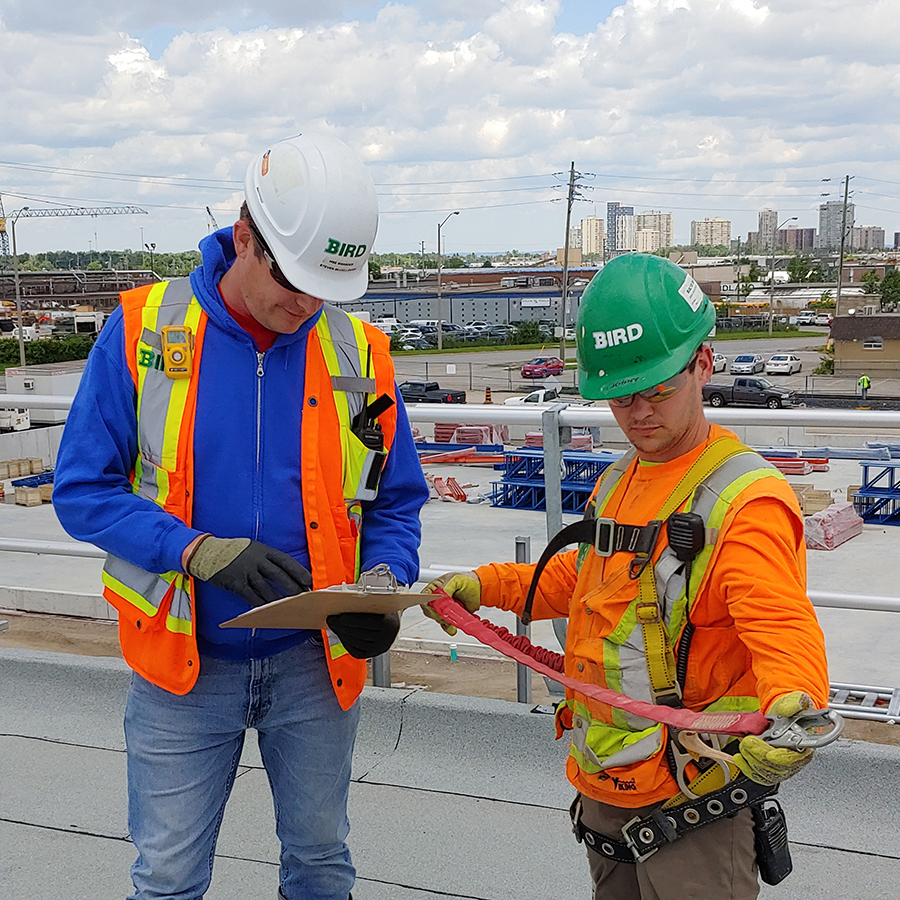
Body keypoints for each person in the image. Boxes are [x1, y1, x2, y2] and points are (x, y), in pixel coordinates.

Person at [53, 133, 429, 900]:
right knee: (166, 877)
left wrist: (385, 582)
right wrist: (194, 552)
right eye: (294, 283)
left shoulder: (359, 352)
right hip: (183, 670)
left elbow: (393, 499)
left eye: (327, 289)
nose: (307, 306)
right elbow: (82, 490)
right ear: (246, 238)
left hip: (315, 668)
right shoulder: (143, 332)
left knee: (322, 864)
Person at [426, 254, 829, 900]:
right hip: (609, 783)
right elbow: (580, 582)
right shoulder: (620, 481)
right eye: (620, 395)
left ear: (702, 363)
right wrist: (485, 587)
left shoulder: (741, 500)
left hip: (697, 800)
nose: (638, 413)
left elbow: (780, 623)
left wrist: (794, 704)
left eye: (657, 389)